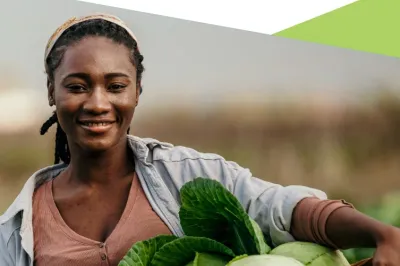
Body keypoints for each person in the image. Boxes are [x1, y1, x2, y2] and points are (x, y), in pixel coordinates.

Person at [0, 13, 398, 266]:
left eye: (116, 85)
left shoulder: (188, 177)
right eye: (78, 86)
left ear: (137, 91)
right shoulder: (17, 231)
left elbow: (282, 208)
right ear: (52, 94)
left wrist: (381, 234)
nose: (98, 103)